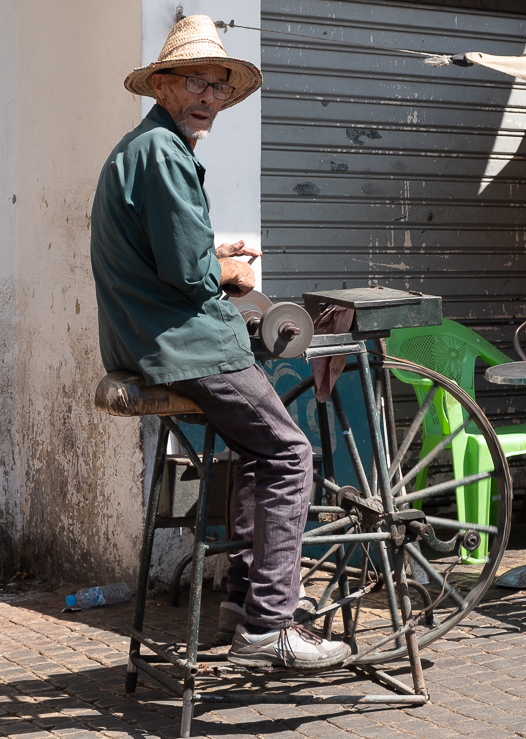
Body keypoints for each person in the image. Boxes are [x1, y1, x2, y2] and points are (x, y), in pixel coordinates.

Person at [90, 14, 350, 670]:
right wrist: (228, 269)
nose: (209, 97)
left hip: (153, 338)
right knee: (291, 453)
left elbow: (172, 251)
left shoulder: (146, 151)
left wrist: (212, 249)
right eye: (196, 83)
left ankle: (244, 601)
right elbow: (187, 273)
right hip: (181, 344)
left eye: (218, 87)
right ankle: (267, 627)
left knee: (256, 450)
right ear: (163, 84)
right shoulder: (162, 153)